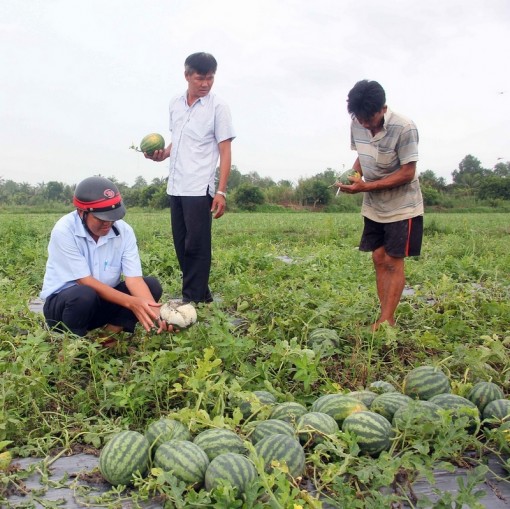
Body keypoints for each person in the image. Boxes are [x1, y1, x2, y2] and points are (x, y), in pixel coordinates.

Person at [146, 52, 235, 304]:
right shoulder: (175, 103)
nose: (205, 84)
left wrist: (221, 191)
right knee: (181, 245)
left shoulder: (218, 107)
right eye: (200, 78)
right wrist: (162, 154)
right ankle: (201, 294)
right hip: (176, 185)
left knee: (197, 246)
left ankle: (191, 300)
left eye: (210, 78)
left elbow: (225, 150)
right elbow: (179, 140)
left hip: (199, 187)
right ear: (187, 75)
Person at [40, 176, 172, 341]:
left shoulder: (125, 232)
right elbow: (85, 282)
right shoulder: (64, 230)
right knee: (84, 294)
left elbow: (135, 281)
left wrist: (158, 314)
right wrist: (133, 303)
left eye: (112, 218)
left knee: (151, 285)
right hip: (65, 308)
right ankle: (71, 347)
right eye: (101, 219)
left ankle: (106, 339)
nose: (107, 224)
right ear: (82, 212)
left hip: (100, 303)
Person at [337, 80, 424, 331]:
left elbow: (408, 172)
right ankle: (384, 315)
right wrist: (353, 176)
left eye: (369, 118)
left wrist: (366, 187)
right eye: (359, 117)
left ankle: (387, 319)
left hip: (402, 206)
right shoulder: (357, 123)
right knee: (378, 256)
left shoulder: (404, 128)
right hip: (375, 206)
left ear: (382, 109)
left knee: (393, 260)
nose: (364, 123)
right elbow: (362, 155)